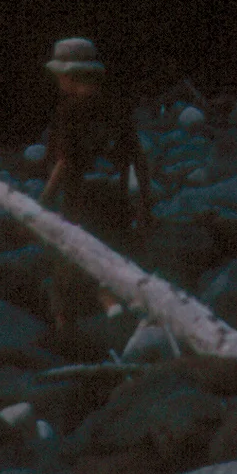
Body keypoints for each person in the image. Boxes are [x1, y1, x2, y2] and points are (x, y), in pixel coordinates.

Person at [42, 36, 153, 336]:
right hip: (115, 198)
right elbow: (137, 157)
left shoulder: (68, 111)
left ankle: (66, 333)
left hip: (81, 202)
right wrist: (144, 202)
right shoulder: (117, 107)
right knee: (112, 261)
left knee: (67, 264)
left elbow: (65, 162)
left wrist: (44, 199)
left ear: (69, 75)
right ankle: (120, 318)